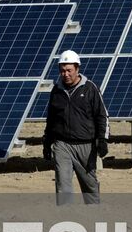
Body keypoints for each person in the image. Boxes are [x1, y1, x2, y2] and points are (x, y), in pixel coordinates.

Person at [42, 50, 109, 205]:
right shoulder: (56, 90)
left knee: (90, 186)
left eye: (69, 70)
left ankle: (94, 216)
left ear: (77, 69)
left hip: (86, 145)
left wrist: (103, 140)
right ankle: (66, 220)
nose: (65, 74)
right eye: (62, 70)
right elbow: (51, 118)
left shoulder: (90, 88)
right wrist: (47, 141)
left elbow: (102, 115)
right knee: (62, 183)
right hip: (62, 145)